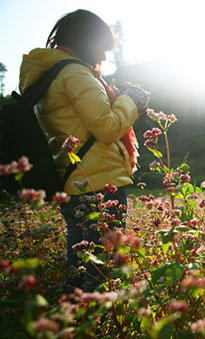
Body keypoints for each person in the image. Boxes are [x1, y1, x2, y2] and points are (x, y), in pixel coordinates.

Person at [18, 9, 150, 290]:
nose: (103, 56)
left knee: (79, 262)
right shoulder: (75, 74)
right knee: (102, 268)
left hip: (72, 179)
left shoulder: (51, 74)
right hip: (100, 182)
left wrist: (113, 97)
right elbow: (106, 128)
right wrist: (129, 101)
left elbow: (82, 123)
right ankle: (96, 323)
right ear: (88, 40)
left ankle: (73, 320)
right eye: (102, 47)